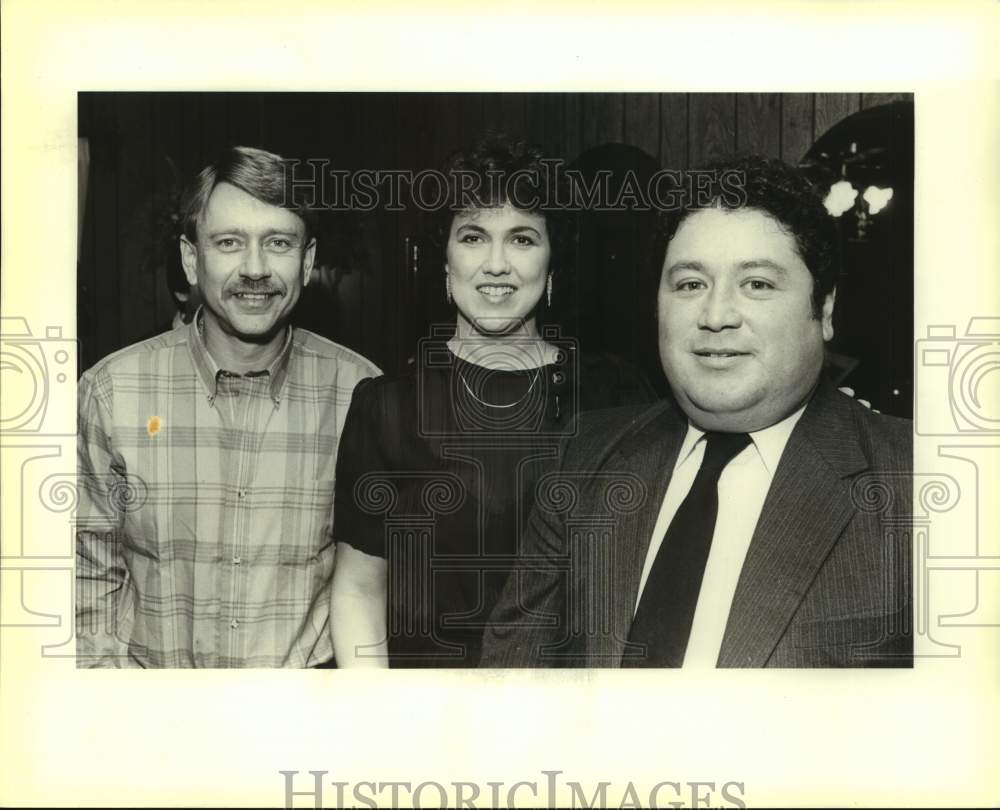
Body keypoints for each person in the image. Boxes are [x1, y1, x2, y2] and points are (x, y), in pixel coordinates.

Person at [481, 155, 913, 668]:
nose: (715, 316)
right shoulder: (583, 459)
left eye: (757, 283)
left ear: (823, 311)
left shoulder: (922, 481)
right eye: (690, 284)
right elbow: (507, 692)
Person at [330, 134, 656, 668]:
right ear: (445, 258)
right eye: (474, 237)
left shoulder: (613, 395)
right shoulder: (387, 406)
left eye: (523, 239)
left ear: (552, 265)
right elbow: (358, 590)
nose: (497, 264)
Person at [75, 146, 381, 667]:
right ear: (192, 259)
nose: (256, 269)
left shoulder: (362, 394)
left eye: (278, 243)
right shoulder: (111, 392)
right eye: (229, 243)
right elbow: (84, 578)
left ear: (307, 262)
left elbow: (373, 589)